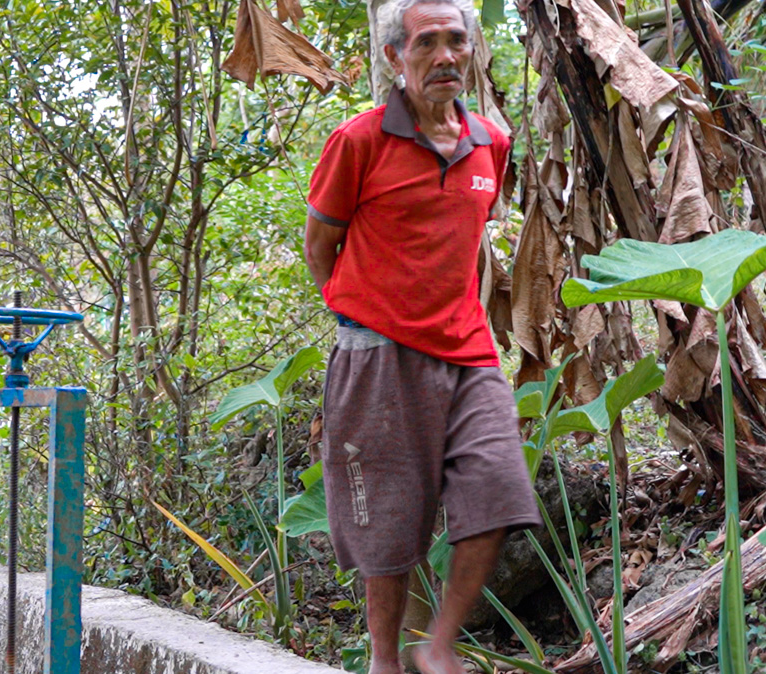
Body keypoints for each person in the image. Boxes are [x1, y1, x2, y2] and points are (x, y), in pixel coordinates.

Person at [302, 1, 542, 672]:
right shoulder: (359, 141)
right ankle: (385, 661)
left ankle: (438, 646)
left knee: (499, 491)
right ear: (394, 58)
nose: (444, 56)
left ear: (473, 51)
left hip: (467, 351)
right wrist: (357, 315)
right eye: (426, 43)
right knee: (387, 520)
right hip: (377, 354)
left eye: (456, 42)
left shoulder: (491, 142)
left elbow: (465, 233)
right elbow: (320, 245)